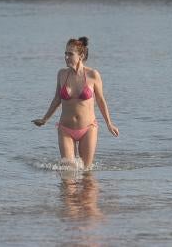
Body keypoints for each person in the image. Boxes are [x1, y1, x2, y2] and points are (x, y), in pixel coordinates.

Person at [33, 37, 118, 169]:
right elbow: (57, 99)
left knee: (86, 174)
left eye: (70, 54)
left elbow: (101, 100)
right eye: (65, 53)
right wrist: (45, 119)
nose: (66, 57)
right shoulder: (61, 74)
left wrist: (109, 124)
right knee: (68, 175)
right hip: (65, 129)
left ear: (81, 56)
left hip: (88, 128)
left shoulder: (93, 75)